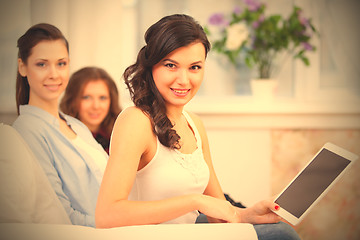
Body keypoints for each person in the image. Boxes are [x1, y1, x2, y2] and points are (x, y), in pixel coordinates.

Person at [95, 14, 300, 240]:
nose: (183, 80)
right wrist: (195, 201)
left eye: (194, 67)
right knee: (281, 236)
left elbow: (219, 212)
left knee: (280, 231)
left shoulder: (194, 124)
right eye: (171, 65)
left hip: (186, 232)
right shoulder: (136, 121)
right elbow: (107, 215)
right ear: (151, 66)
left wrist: (247, 214)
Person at [12, 23, 108, 227]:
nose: (54, 74)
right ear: (23, 67)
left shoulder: (77, 126)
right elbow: (61, 216)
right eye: (42, 64)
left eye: (61, 63)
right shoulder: (27, 131)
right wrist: (116, 224)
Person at [60, 67, 122, 154]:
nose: (96, 106)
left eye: (102, 98)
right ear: (72, 100)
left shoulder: (121, 135)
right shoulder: (61, 136)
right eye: (86, 97)